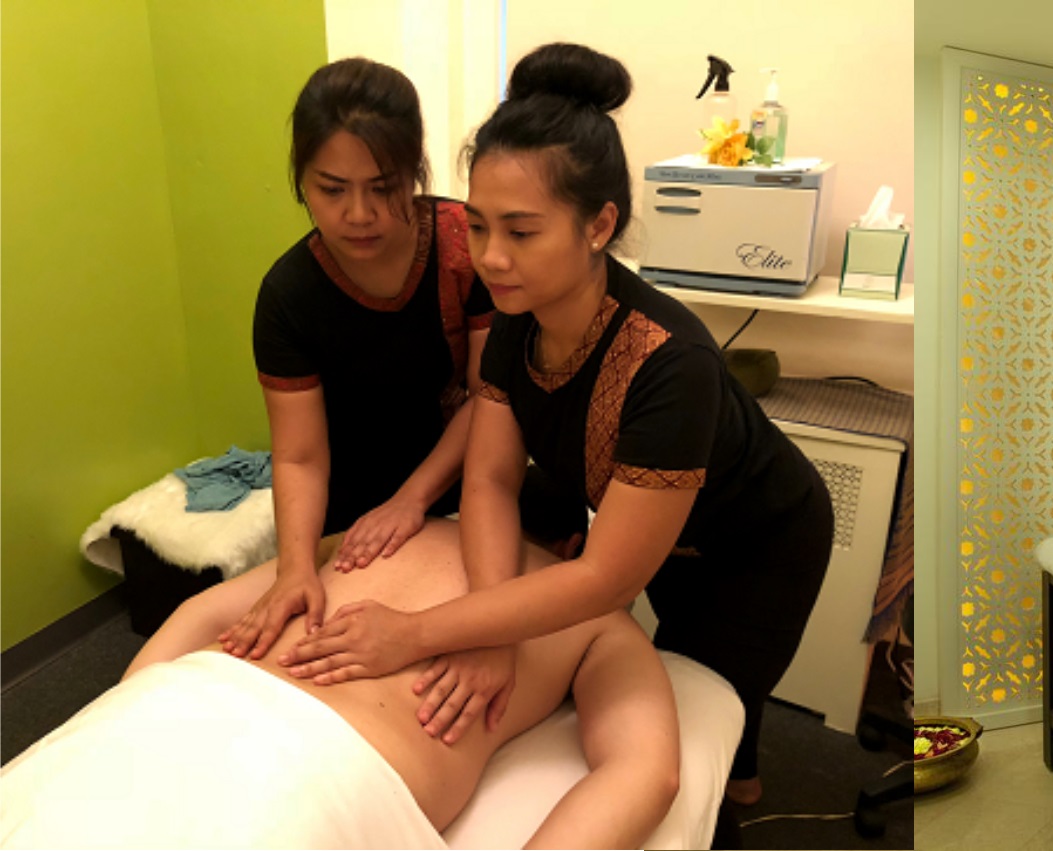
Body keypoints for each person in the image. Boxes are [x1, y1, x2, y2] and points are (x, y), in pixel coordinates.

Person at [282, 43, 834, 806]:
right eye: (478, 227)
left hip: (757, 544)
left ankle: (738, 797)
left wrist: (418, 631)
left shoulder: (670, 364)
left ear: (598, 224)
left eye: (521, 232)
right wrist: (487, 627)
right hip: (656, 528)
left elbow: (608, 577)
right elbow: (489, 479)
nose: (490, 258)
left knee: (717, 711)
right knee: (658, 669)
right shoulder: (521, 316)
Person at [127, 57, 582, 678]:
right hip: (354, 504)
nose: (359, 214)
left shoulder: (467, 247)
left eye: (383, 186)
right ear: (301, 180)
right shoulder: (289, 295)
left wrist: (412, 501)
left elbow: (489, 396)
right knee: (227, 622)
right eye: (333, 189)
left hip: (470, 481)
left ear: (415, 171)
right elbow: (298, 456)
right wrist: (294, 569)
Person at [5, 520, 678, 849]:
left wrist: (126, 712)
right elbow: (647, 774)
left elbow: (199, 612)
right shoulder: (597, 617)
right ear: (571, 545)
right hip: (318, 767)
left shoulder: (372, 536)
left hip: (177, 697)